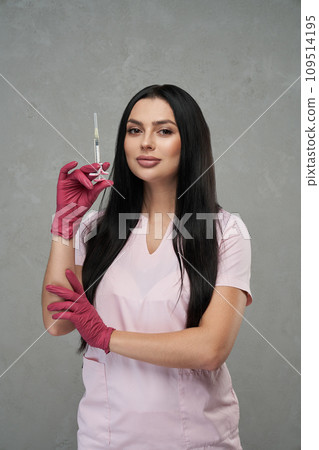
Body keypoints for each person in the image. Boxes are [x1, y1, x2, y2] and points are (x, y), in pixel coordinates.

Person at [41, 84, 252, 450]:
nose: (146, 143)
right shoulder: (93, 228)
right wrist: (65, 225)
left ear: (190, 143)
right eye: (135, 130)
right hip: (106, 435)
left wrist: (107, 338)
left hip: (200, 438)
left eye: (164, 131)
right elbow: (58, 322)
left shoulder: (224, 231)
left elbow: (211, 347)